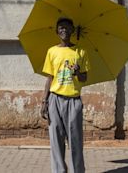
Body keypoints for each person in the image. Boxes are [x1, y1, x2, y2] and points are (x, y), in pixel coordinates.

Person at [41, 17, 90, 173]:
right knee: (55, 140)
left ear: (73, 30)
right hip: (54, 99)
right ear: (57, 32)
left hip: (73, 101)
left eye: (67, 27)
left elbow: (84, 78)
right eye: (61, 28)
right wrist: (44, 101)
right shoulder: (52, 51)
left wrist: (77, 73)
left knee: (75, 141)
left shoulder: (81, 52)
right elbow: (49, 78)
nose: (64, 30)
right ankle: (59, 171)